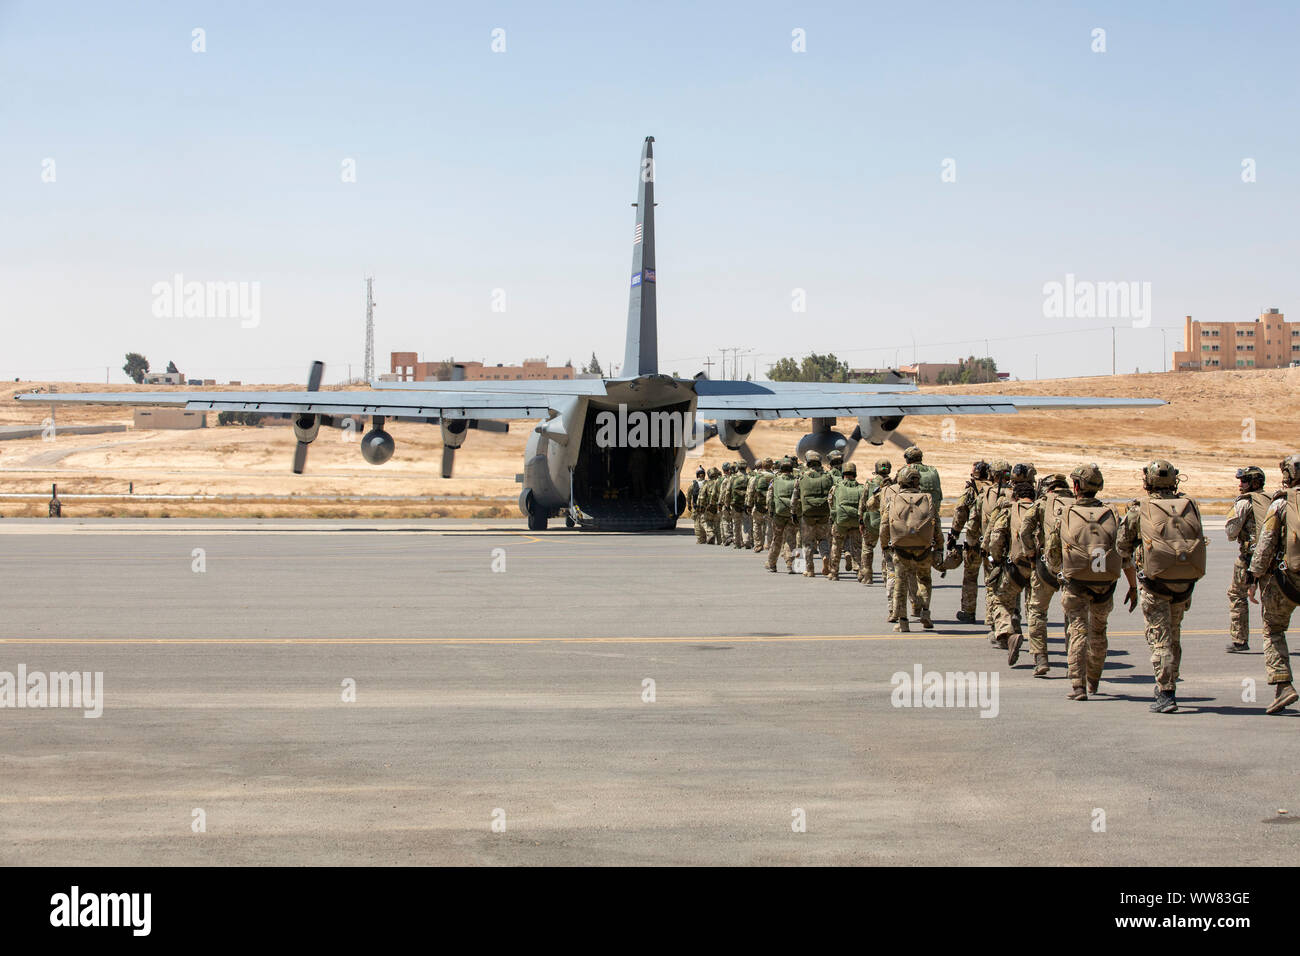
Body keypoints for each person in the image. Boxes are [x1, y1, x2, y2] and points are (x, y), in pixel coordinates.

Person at [1117, 460, 1207, 714]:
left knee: (1160, 638)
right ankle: (1170, 681)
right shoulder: (1189, 506)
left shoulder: (1140, 509)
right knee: (1174, 634)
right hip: (1184, 584)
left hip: (1154, 585)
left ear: (1148, 481)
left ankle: (1166, 692)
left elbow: (1122, 545)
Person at [1048, 464, 1135, 701]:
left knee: (1077, 631)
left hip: (1075, 584)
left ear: (1076, 486)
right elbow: (1125, 553)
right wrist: (1133, 585)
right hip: (1105, 585)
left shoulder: (1066, 513)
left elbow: (1053, 552)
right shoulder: (1113, 514)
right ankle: (1093, 680)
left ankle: (1078, 686)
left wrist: (1060, 573)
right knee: (1099, 631)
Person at [1246, 454, 1300, 714]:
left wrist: (1253, 576)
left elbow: (1265, 543)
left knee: (1273, 628)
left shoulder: (1281, 503)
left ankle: (1283, 686)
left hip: (1287, 582)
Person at [985, 471, 1039, 667]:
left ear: (1015, 496)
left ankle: (1009, 635)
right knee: (1035, 609)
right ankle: (1039, 653)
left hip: (1014, 567)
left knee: (1000, 600)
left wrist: (995, 559)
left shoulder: (1009, 510)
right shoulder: (1040, 510)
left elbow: (996, 537)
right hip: (1038, 568)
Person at [880, 465, 942, 631]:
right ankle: (926, 612)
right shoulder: (927, 498)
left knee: (901, 582)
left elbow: (884, 526)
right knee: (924, 579)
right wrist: (940, 546)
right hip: (924, 547)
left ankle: (903, 622)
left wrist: (885, 545)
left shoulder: (893, 500)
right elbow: (936, 525)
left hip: (901, 548)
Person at [1025, 473, 1074, 677]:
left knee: (1037, 611)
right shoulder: (1077, 503)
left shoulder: (1042, 504)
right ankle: (1074, 659)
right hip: (1072, 568)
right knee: (1072, 615)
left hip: (1045, 568)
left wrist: (1030, 554)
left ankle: (1040, 658)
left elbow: (1025, 529)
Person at [1225, 465, 1270, 653]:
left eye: (1243, 481)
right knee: (1269, 601)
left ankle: (1240, 640)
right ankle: (1272, 639)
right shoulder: (1272, 500)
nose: (1240, 485)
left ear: (1253, 482)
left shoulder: (1244, 503)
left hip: (1248, 559)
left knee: (1237, 595)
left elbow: (1231, 532)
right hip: (1270, 560)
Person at [948, 461, 991, 623]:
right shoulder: (996, 490)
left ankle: (968, 611)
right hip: (993, 544)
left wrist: (953, 535)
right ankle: (992, 614)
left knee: (970, 577)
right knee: (992, 578)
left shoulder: (972, 489)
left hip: (973, 542)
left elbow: (960, 512)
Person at [792, 451, 835, 577]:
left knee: (808, 542)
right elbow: (833, 496)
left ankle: (810, 569)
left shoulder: (802, 477)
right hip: (824, 514)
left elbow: (794, 497)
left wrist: (793, 512)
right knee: (823, 539)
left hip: (807, 515)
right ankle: (826, 556)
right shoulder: (827, 477)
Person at [828, 462, 865, 582]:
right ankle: (860, 571)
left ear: (843, 473)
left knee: (836, 546)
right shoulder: (861, 488)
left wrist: (834, 515)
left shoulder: (836, 487)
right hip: (856, 522)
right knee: (857, 547)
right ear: (855, 473)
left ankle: (834, 573)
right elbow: (864, 506)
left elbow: (830, 502)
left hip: (840, 522)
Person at [765, 458, 800, 574]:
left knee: (776, 539)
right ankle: (790, 564)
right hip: (792, 514)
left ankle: (772, 564)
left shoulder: (775, 481)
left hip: (778, 514)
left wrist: (770, 511)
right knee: (791, 540)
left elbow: (769, 497)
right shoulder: (796, 481)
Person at [859, 460, 891, 585]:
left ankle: (867, 576)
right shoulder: (894, 484)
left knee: (867, 548)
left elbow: (862, 503)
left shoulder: (870, 483)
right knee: (887, 551)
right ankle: (886, 577)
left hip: (871, 523)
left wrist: (861, 520)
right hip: (887, 524)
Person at [749, 459, 775, 554]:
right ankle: (768, 544)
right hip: (771, 505)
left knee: (757, 524)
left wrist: (748, 504)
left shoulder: (757, 477)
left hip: (758, 504)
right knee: (769, 524)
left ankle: (758, 544)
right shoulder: (775, 476)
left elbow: (751, 491)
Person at [730, 461, 752, 550]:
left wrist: (727, 504)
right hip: (746, 504)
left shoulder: (733, 477)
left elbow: (728, 491)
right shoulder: (750, 477)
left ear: (738, 467)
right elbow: (751, 491)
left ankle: (737, 543)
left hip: (735, 504)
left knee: (736, 523)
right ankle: (746, 540)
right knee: (746, 522)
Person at [688, 466, 707, 544]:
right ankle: (706, 538)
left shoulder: (693, 484)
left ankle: (700, 540)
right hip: (705, 507)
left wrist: (689, 505)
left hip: (696, 507)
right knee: (705, 522)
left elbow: (689, 495)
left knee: (697, 524)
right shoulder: (707, 483)